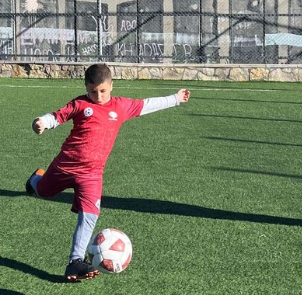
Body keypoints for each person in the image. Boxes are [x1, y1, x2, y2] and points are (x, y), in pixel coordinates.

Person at [26, 63, 190, 281]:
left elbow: (146, 104)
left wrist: (175, 99)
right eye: (93, 91)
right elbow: (58, 116)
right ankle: (35, 180)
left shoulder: (120, 107)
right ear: (86, 87)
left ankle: (75, 263)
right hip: (65, 166)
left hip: (92, 174)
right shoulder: (81, 103)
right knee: (43, 191)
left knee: (90, 216)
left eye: (103, 91)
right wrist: (42, 122)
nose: (98, 96)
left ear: (111, 86)